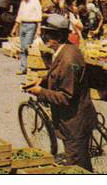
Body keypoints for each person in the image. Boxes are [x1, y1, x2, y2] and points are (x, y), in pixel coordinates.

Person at [25, 13, 97, 170]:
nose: (44, 38)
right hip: (73, 119)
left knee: (76, 166)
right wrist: (42, 81)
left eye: (47, 34)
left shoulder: (68, 59)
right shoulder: (67, 49)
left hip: (74, 122)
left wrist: (40, 92)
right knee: (81, 162)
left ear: (57, 36)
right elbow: (58, 74)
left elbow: (66, 97)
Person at [13, 0, 43, 75]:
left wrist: (38, 28)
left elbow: (39, 15)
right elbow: (19, 15)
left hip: (31, 25)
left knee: (27, 46)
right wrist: (15, 27)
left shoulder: (35, 2)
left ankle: (30, 66)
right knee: (22, 48)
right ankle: (23, 68)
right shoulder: (22, 2)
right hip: (23, 25)